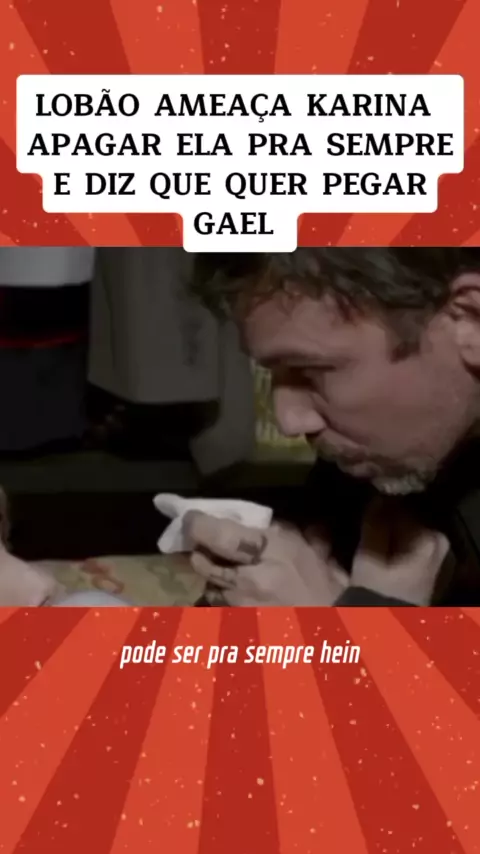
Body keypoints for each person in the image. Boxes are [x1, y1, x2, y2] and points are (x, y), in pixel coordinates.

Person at [183, 247, 480, 607]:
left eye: (311, 372)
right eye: (273, 374)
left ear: (469, 320)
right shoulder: (377, 457)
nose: (289, 421)